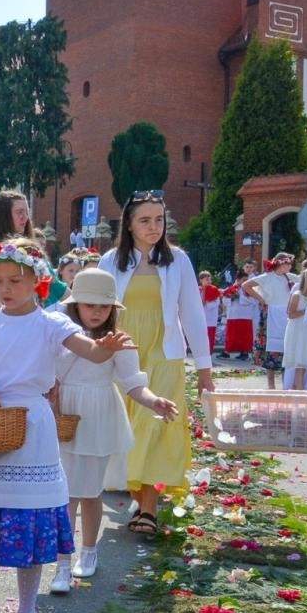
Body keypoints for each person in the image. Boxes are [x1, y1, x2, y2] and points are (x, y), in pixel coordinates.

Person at [0, 238, 131, 613]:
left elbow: (89, 351)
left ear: (37, 280)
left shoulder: (51, 323)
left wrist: (104, 347)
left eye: (15, 280)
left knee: (26, 522)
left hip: (31, 426)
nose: (5, 289)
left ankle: (27, 612)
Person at [96, 193, 214, 535]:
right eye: (145, 220)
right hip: (122, 352)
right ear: (129, 225)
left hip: (164, 353)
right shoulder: (110, 261)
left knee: (154, 423)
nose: (153, 227)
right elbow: (94, 308)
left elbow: (193, 314)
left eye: (159, 219)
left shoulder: (178, 260)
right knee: (125, 428)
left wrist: (205, 369)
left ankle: (147, 508)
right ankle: (138, 494)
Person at [54, 269, 178, 580]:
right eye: (89, 305)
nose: (97, 312)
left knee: (90, 491)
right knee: (65, 494)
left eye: (104, 306)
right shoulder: (62, 334)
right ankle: (62, 563)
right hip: (63, 414)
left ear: (113, 308)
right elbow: (49, 372)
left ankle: (89, 551)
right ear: (75, 305)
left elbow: (133, 383)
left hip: (98, 416)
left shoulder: (121, 340)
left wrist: (154, 401)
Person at [245, 254, 295, 389]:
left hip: (286, 314)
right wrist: (261, 299)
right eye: (288, 263)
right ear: (281, 264)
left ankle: (286, 383)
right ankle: (271, 384)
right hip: (271, 314)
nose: (290, 266)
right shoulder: (267, 277)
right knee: (270, 347)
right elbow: (246, 285)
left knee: (286, 347)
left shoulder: (290, 277)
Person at [283, 267, 307, 390]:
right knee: (300, 361)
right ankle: (299, 387)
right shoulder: (297, 295)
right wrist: (306, 311)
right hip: (298, 329)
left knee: (304, 360)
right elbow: (290, 314)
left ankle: (295, 386)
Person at [222, 261, 260, 360]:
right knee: (232, 335)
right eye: (244, 280)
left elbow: (254, 300)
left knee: (244, 335)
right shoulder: (232, 288)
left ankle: (244, 353)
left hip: (245, 315)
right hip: (233, 315)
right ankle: (227, 352)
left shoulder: (251, 288)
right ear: (238, 280)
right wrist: (231, 298)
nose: (245, 282)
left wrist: (240, 297)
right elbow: (224, 300)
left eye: (246, 280)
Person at [199, 270, 222, 351]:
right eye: (206, 279)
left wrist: (207, 303)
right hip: (201, 316)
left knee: (210, 335)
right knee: (201, 335)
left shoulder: (214, 289)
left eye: (210, 279)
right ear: (201, 280)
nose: (209, 281)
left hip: (211, 317)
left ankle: (209, 352)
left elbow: (217, 302)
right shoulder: (198, 290)